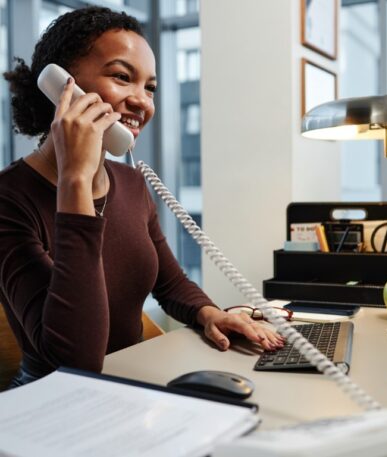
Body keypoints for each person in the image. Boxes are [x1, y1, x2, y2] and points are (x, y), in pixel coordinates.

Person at [1, 6, 284, 388]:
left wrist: (208, 312)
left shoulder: (131, 183)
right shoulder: (9, 198)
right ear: (61, 84)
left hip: (133, 384)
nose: (142, 101)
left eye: (149, 87)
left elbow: (169, 283)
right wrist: (75, 181)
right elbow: (75, 359)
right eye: (122, 77)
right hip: (52, 403)